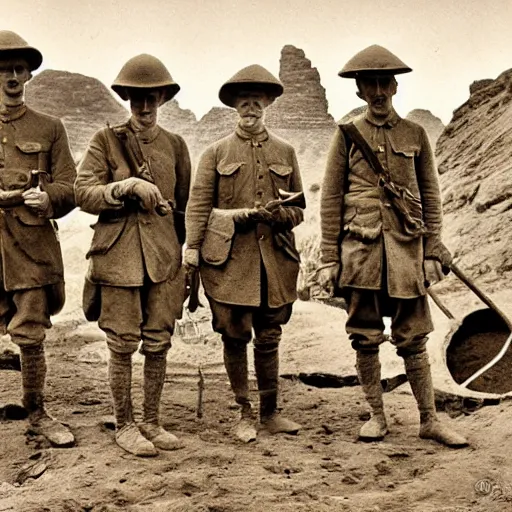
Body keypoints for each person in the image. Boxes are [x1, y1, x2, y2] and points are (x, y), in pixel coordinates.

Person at [318, 45, 468, 447]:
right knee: (365, 335)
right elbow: (331, 198)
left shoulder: (415, 134)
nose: (379, 91)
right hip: (361, 251)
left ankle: (428, 420)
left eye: (385, 83)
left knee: (413, 336)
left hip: (405, 253)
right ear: (360, 91)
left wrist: (433, 248)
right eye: (371, 84)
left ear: (396, 86)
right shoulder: (347, 135)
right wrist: (329, 258)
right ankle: (376, 416)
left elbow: (431, 197)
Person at [75, 54, 191, 457]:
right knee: (122, 343)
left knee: (158, 341)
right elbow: (82, 192)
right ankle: (125, 425)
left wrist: (185, 261)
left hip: (163, 259)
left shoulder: (176, 146)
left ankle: (151, 422)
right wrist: (124, 187)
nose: (143, 108)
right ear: (126, 98)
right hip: (119, 258)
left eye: (151, 99)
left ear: (162, 98)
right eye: (136, 99)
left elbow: (185, 209)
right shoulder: (104, 140)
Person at [184, 64, 305, 443]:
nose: (250, 109)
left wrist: (282, 214)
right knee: (234, 336)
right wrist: (191, 249)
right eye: (243, 103)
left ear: (268, 103)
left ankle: (270, 413)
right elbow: (198, 206)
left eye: (256, 102)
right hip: (230, 262)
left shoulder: (285, 151)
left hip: (275, 263)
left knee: (269, 335)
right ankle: (243, 413)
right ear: (235, 108)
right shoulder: (215, 152)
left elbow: (300, 208)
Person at [0, 31, 76, 447]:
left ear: (28, 74)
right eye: (3, 69)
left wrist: (48, 199)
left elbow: (71, 185)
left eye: (18, 69)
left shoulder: (50, 127)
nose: (11, 76)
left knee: (30, 332)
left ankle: (37, 413)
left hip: (31, 248)